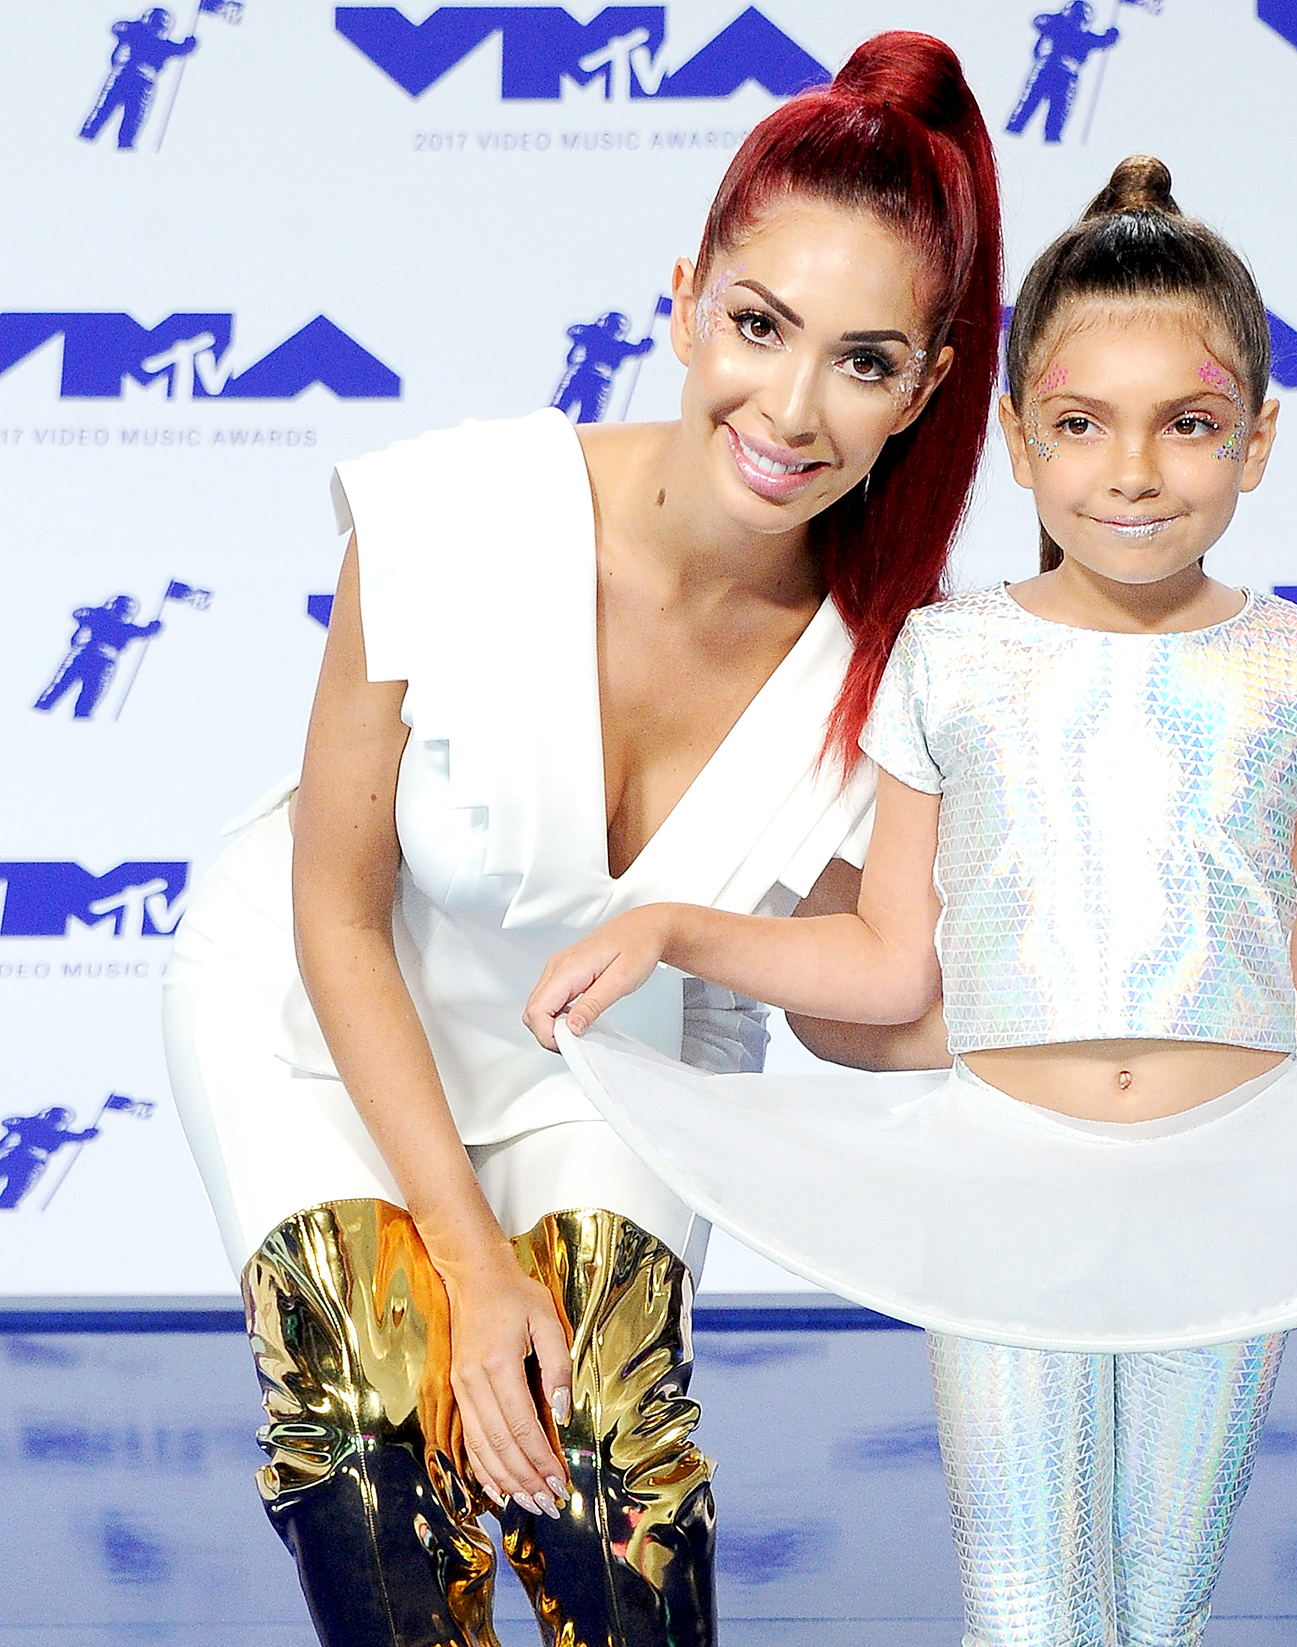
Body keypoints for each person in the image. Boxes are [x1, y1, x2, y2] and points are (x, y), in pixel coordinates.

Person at [527, 156, 1297, 1643]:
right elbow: (892, 969)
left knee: (1159, 1612)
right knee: (1024, 1609)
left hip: (1234, 1189)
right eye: (1080, 424)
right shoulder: (951, 660)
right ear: (1017, 440)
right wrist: (678, 928)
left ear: (1259, 440)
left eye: (1189, 425)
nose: (1132, 471)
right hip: (1004, 1182)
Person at [161, 32, 1001, 1647]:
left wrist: (1160, 1034)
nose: (794, 406)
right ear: (686, 298)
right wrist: (470, 1264)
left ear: (933, 384)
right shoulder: (453, 516)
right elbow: (335, 912)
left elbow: (865, 1000)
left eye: (866, 359)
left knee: (607, 1480)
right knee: (372, 1452)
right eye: (761, 327)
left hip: (614, 1062)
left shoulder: (901, 662)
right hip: (319, 1018)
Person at [78, 8, 197, 150]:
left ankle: (113, 149)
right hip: (127, 79)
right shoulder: (138, 33)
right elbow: (117, 27)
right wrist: (189, 44)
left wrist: (189, 44)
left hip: (136, 83)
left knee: (127, 126)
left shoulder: (154, 41)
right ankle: (87, 143)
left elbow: (182, 49)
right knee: (107, 119)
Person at [1007, 1, 1120, 144]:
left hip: (1066, 76)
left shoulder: (1083, 36)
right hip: (1048, 69)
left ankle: (1049, 143)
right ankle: (1014, 134)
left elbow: (1104, 41)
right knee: (1028, 108)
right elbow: (1038, 20)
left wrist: (1111, 35)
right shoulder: (1057, 25)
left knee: (1056, 115)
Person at [34, 595, 162, 719]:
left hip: (85, 656)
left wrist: (152, 628)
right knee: (84, 703)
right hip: (98, 660)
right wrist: (154, 627)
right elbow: (146, 632)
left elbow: (78, 613)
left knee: (60, 694)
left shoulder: (98, 616)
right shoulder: (120, 625)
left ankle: (37, 715)